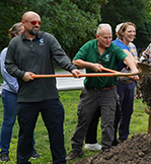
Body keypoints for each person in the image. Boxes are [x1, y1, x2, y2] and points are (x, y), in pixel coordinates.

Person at [5, 11, 82, 164]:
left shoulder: (47, 39)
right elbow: (9, 65)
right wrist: (22, 74)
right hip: (27, 98)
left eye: (39, 23)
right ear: (24, 22)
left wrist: (72, 68)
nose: (37, 25)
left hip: (49, 96)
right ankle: (22, 162)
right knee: (25, 134)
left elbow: (60, 55)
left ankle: (59, 162)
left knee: (56, 133)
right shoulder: (15, 43)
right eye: (34, 23)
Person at [66, 23, 138, 160]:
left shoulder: (113, 48)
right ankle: (76, 148)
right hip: (90, 91)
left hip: (109, 91)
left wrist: (133, 69)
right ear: (97, 37)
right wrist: (91, 65)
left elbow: (127, 58)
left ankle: (106, 151)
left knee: (108, 122)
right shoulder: (89, 46)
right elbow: (76, 61)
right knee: (83, 119)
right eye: (105, 38)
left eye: (110, 37)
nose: (108, 41)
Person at [83, 22, 138, 150]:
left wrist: (135, 73)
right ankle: (105, 142)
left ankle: (120, 139)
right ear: (121, 33)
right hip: (114, 83)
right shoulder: (116, 46)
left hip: (125, 83)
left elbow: (132, 62)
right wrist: (135, 71)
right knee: (108, 113)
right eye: (129, 31)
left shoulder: (132, 46)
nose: (132, 34)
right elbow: (129, 59)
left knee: (123, 112)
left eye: (134, 31)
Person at [0, 23, 40, 162]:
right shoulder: (6, 51)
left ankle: (31, 149)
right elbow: (7, 74)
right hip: (11, 93)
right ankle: (4, 152)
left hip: (26, 92)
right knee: (9, 121)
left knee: (28, 121)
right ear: (16, 34)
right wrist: (20, 89)